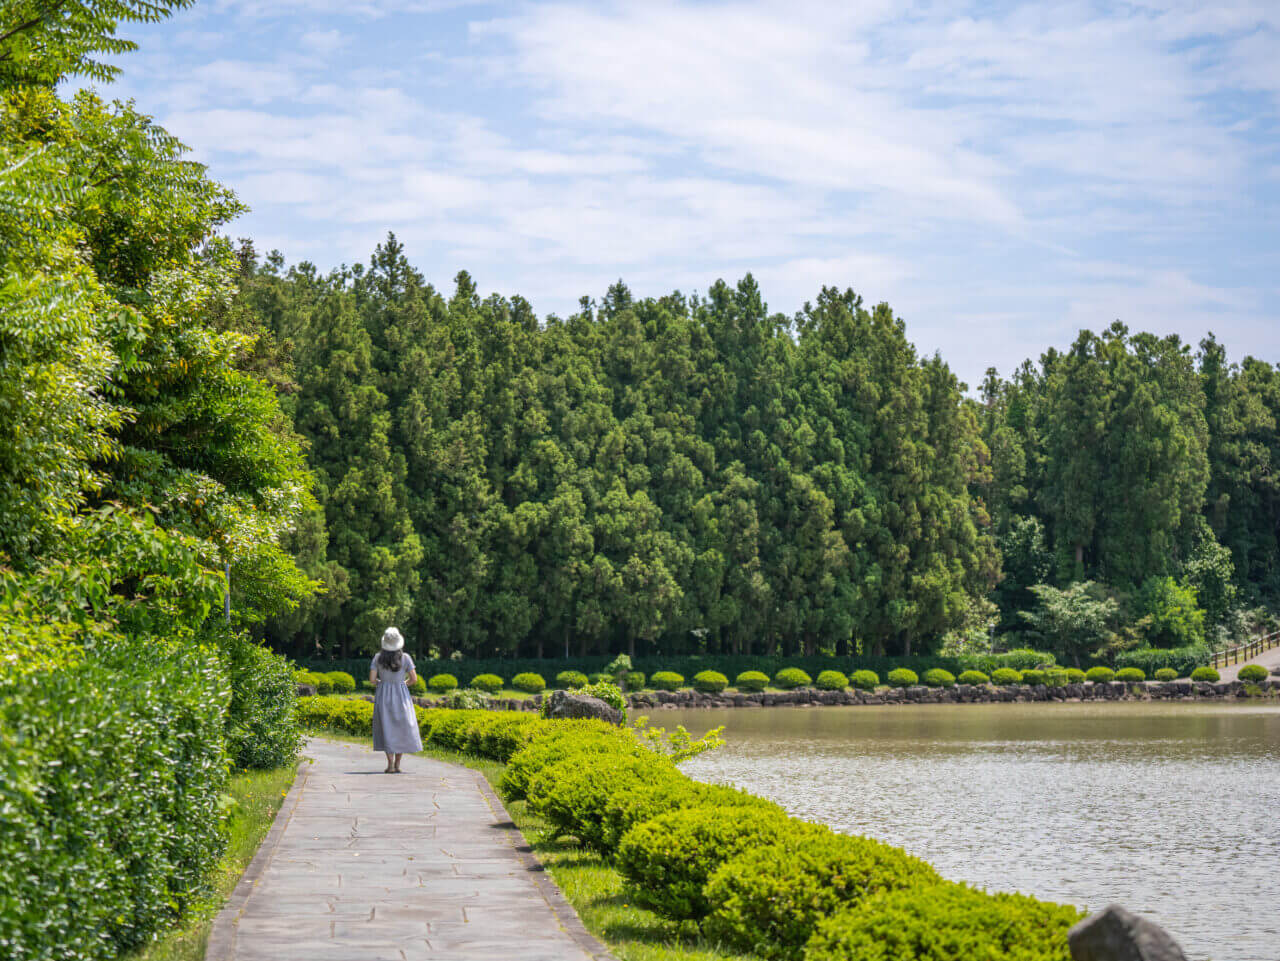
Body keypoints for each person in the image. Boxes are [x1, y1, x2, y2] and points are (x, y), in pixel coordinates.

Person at [369, 627, 422, 772]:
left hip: (383, 694)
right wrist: (403, 684)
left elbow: (372, 680)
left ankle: (390, 764)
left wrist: (382, 683)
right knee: (401, 727)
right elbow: (414, 679)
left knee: (387, 727)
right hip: (401, 695)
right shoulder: (406, 658)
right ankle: (398, 764)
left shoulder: (377, 658)